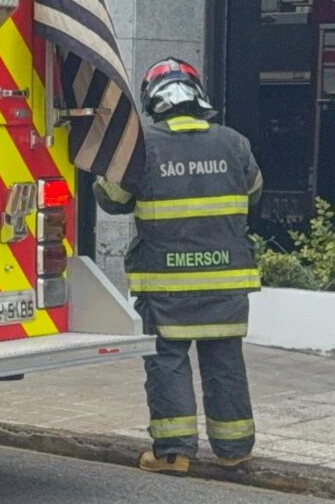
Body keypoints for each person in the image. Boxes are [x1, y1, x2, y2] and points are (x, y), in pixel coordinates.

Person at [95, 57, 263, 474]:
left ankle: (173, 453)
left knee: (167, 360)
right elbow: (255, 193)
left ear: (154, 101)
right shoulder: (235, 143)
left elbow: (110, 200)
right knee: (224, 361)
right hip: (225, 281)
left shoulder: (142, 146)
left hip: (165, 282)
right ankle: (234, 450)